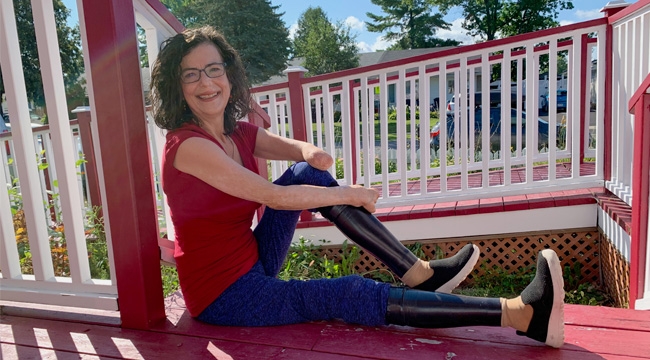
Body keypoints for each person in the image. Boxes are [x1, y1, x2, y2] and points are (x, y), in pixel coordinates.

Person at [150, 25, 565, 348]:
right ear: (177, 86)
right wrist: (349, 194)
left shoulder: (233, 131)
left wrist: (312, 152)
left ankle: (420, 275)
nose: (206, 83)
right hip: (225, 295)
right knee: (347, 291)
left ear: (229, 73)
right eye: (191, 75)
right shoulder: (188, 147)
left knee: (304, 173)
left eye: (214, 69)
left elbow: (297, 152)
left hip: (251, 258)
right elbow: (272, 197)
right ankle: (523, 315)